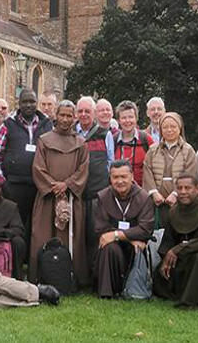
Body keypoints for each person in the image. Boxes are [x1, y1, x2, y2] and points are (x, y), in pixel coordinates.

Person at [29, 100, 89, 285]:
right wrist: (54, 186)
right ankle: (41, 276)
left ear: (74, 117)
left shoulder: (80, 143)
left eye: (69, 115)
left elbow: (83, 169)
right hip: (48, 197)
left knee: (71, 239)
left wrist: (67, 185)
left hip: (70, 197)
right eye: (62, 115)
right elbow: (38, 168)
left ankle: (71, 278)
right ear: (56, 115)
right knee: (42, 235)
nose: (65, 119)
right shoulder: (44, 140)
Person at [153, 174, 198, 308]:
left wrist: (178, 250)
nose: (183, 192)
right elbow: (168, 240)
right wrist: (166, 258)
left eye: (188, 188)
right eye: (179, 188)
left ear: (197, 189)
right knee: (159, 276)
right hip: (182, 258)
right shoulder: (174, 211)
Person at [0, 89, 52, 244]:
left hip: (38, 185)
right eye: (25, 102)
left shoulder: (47, 125)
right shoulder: (8, 124)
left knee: (35, 224)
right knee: (14, 224)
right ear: (19, 103)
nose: (29, 105)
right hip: (13, 185)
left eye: (32, 101)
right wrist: (2, 180)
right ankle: (13, 258)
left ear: (36, 103)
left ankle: (30, 260)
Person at [93, 160, 154, 298]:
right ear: (110, 178)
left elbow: (145, 229)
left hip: (137, 246)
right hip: (114, 245)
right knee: (109, 247)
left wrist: (118, 235)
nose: (120, 181)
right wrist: (126, 238)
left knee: (134, 248)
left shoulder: (144, 198)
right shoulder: (103, 197)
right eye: (115, 177)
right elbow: (101, 228)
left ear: (132, 177)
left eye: (123, 177)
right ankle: (107, 292)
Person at [74, 96, 112, 271]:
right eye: (80, 111)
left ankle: (95, 273)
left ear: (94, 113)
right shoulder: (71, 134)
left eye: (87, 111)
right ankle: (78, 272)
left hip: (98, 193)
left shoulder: (105, 134)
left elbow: (111, 163)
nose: (83, 114)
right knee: (77, 234)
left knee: (95, 233)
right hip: (75, 193)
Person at [143, 112, 198, 227]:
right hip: (158, 199)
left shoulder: (188, 150)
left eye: (173, 126)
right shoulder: (153, 150)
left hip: (180, 198)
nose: (169, 130)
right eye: (165, 127)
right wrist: (153, 192)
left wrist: (176, 193)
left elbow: (191, 173)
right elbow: (147, 171)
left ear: (180, 128)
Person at [111, 100, 155, 186]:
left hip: (143, 192)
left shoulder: (146, 139)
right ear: (118, 120)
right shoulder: (113, 141)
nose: (127, 121)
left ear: (136, 118)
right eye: (123, 118)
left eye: (131, 117)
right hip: (119, 190)